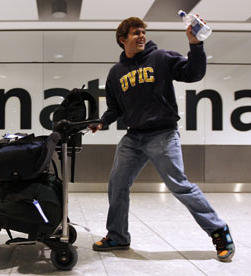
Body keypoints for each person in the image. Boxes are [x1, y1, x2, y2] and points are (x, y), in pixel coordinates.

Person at [89, 17, 235, 262]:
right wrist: (102, 121)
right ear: (122, 39)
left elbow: (193, 74)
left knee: (180, 185)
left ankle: (219, 232)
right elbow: (115, 107)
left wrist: (195, 45)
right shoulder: (116, 73)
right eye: (136, 33)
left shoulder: (161, 58)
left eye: (143, 32)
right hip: (134, 137)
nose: (142, 36)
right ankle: (118, 235)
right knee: (117, 184)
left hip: (163, 134)